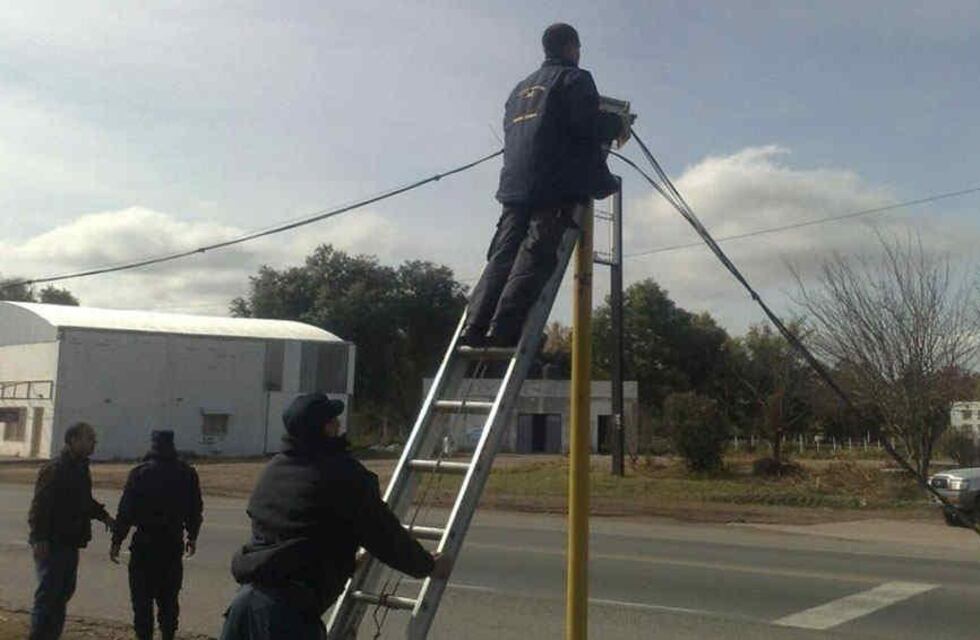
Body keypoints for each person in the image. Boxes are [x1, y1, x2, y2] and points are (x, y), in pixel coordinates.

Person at [219, 392, 452, 640]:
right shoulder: (342, 475)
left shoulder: (273, 471)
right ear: (323, 429)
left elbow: (291, 536)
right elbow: (383, 533)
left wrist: (346, 561)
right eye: (333, 421)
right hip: (285, 620)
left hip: (243, 611)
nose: (339, 426)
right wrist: (427, 565)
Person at [461, 22, 625, 348]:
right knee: (535, 256)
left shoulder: (519, 90)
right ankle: (502, 330)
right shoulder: (575, 78)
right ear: (570, 48)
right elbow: (586, 124)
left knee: (503, 256)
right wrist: (617, 124)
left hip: (514, 186)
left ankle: (475, 326)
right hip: (553, 186)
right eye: (577, 48)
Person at [110, 430, 203, 640]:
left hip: (144, 544)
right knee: (169, 601)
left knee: (142, 603)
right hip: (172, 544)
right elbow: (195, 509)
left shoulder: (140, 473)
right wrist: (192, 536)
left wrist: (117, 541)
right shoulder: (187, 473)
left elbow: (126, 511)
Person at [28, 421, 115, 640]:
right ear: (73, 440)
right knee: (49, 596)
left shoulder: (80, 467)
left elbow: (83, 501)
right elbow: (40, 506)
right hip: (52, 543)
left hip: (70, 541)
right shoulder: (56, 468)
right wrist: (39, 538)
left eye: (94, 439)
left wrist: (103, 516)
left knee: (63, 594)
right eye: (89, 438)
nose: (93, 443)